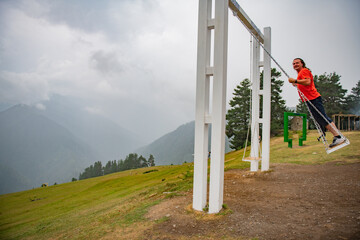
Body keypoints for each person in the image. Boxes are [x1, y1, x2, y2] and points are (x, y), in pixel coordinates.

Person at [288, 58, 345, 148]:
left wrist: (295, 81)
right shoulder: (300, 74)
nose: (295, 65)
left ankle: (338, 136)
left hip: (313, 98)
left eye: (297, 63)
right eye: (293, 63)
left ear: (302, 64)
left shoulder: (304, 71)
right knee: (320, 119)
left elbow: (308, 81)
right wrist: (297, 84)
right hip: (309, 99)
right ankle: (337, 136)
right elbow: (305, 84)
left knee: (322, 117)